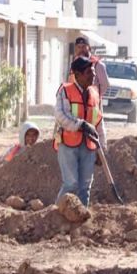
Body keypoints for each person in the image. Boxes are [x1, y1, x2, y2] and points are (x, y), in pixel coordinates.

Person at [54, 56, 103, 206]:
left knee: (85, 186)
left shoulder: (94, 94)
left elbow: (99, 122)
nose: (93, 75)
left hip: (88, 146)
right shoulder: (65, 91)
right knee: (71, 184)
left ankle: (82, 215)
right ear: (77, 74)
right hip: (68, 144)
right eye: (89, 72)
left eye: (93, 71)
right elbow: (61, 116)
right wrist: (81, 125)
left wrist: (102, 149)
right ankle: (57, 213)